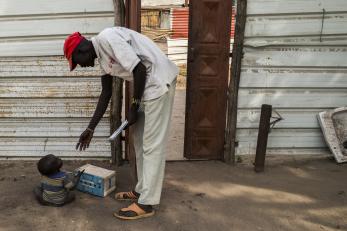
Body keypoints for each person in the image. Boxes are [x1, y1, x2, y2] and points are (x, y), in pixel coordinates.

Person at [63, 27, 179, 220]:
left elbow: (139, 68)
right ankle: (142, 191)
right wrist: (90, 128)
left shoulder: (108, 38)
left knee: (152, 146)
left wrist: (133, 106)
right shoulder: (101, 57)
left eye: (76, 61)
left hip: (159, 83)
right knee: (140, 143)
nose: (80, 66)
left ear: (81, 50)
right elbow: (106, 94)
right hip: (147, 88)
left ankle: (146, 203)